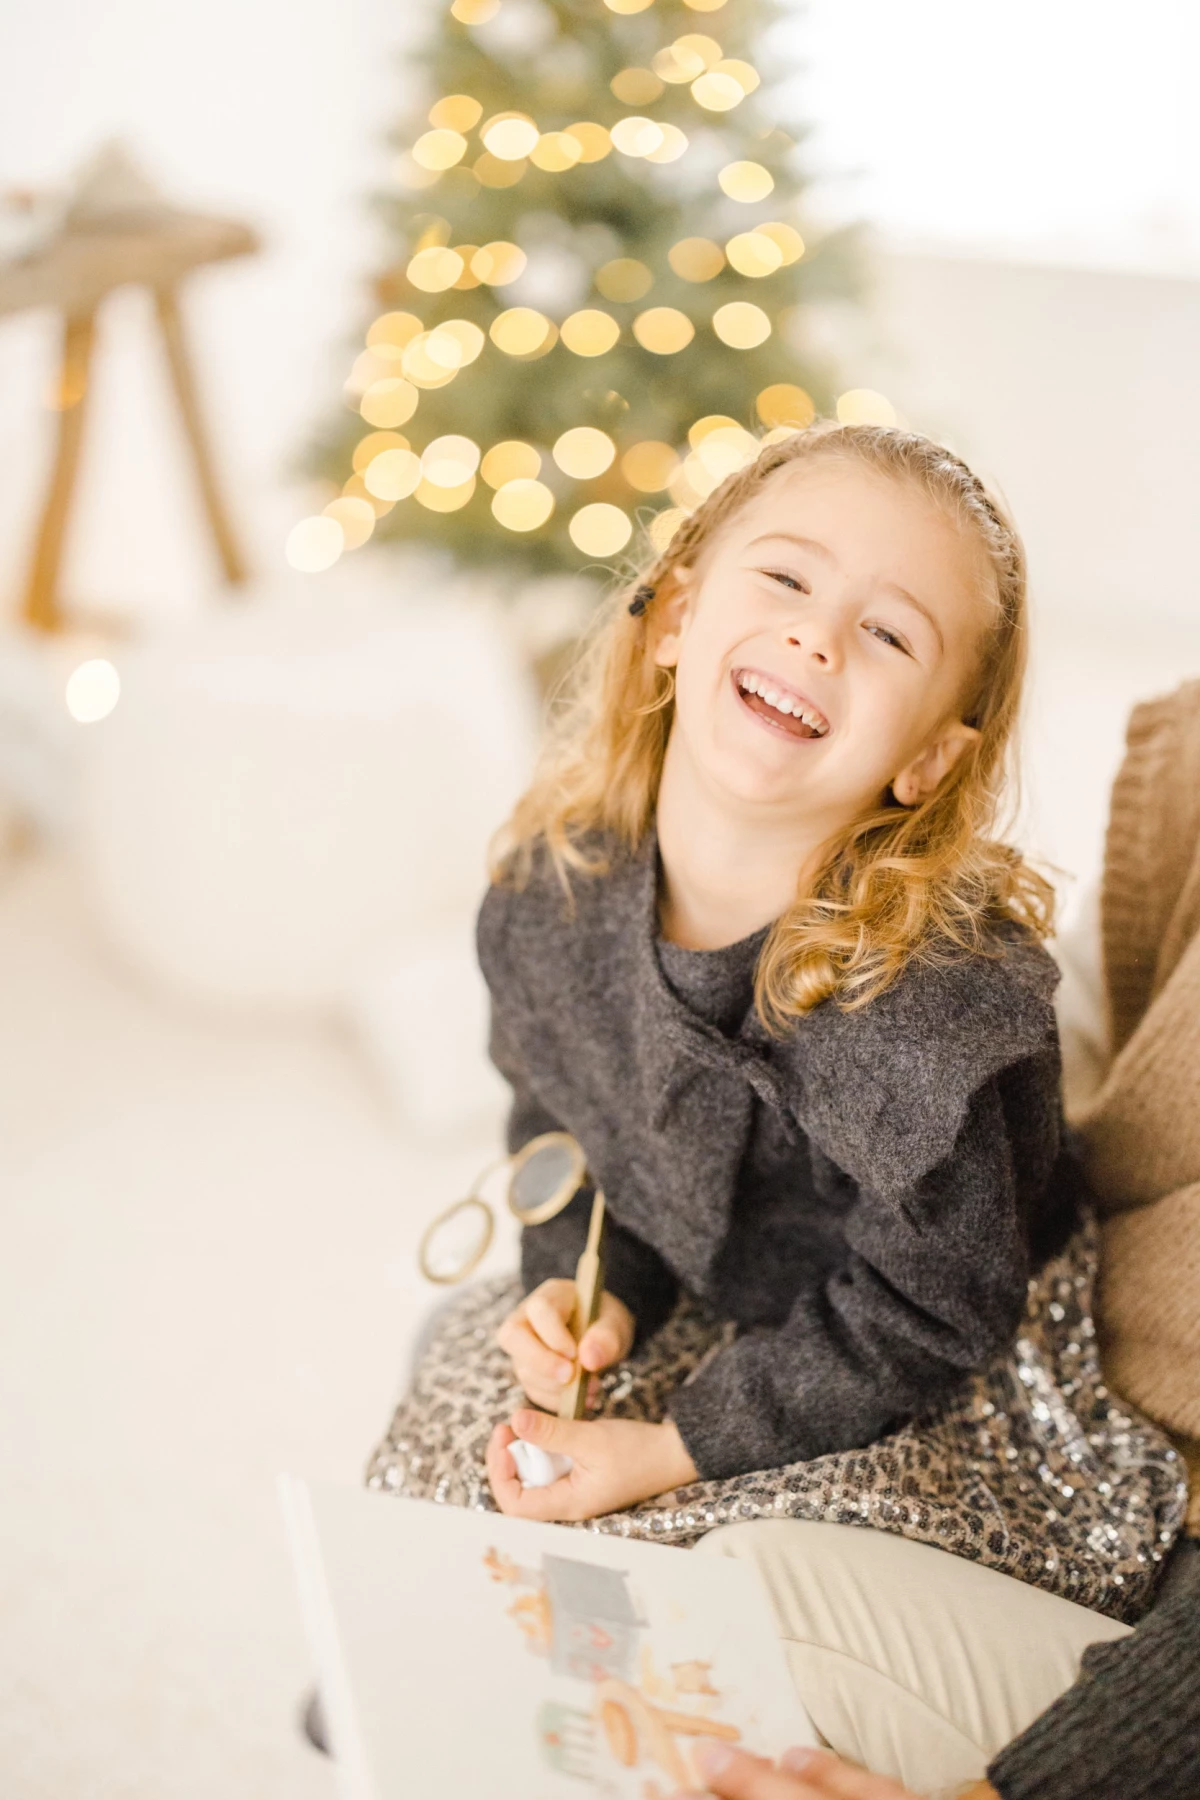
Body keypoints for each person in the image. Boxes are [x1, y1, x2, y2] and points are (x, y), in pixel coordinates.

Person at [366, 424, 1180, 1622]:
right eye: (788, 578)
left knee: (621, 1573)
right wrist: (591, 1289)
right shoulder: (559, 895)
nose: (817, 635)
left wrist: (666, 1449)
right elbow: (569, 1122)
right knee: (459, 1450)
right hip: (718, 1285)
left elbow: (932, 1311)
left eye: (889, 633)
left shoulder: (929, 1013)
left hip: (928, 1371)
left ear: (928, 761)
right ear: (676, 620)